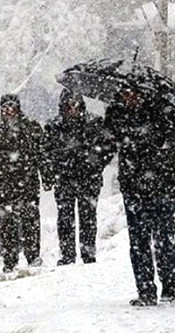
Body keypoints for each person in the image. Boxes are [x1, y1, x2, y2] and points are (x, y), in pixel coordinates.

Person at [104, 87, 175, 306]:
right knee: (138, 240)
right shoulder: (117, 114)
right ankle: (145, 290)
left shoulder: (164, 111)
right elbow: (106, 146)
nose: (130, 97)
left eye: (134, 93)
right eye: (125, 93)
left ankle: (169, 285)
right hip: (134, 186)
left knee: (163, 237)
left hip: (162, 184)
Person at [43, 89, 115, 265]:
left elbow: (109, 147)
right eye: (68, 105)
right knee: (65, 218)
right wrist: (50, 173)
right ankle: (68, 255)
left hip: (88, 178)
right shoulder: (53, 127)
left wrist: (96, 164)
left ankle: (88, 253)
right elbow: (45, 153)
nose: (72, 109)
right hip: (64, 179)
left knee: (88, 217)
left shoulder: (95, 123)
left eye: (75, 104)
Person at [0, 94, 44, 273]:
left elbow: (42, 155)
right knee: (8, 223)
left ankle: (33, 255)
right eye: (6, 107)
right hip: (3, 184)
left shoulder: (31, 128)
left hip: (27, 182)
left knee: (30, 221)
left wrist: (47, 176)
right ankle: (10, 259)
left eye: (12, 107)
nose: (9, 111)